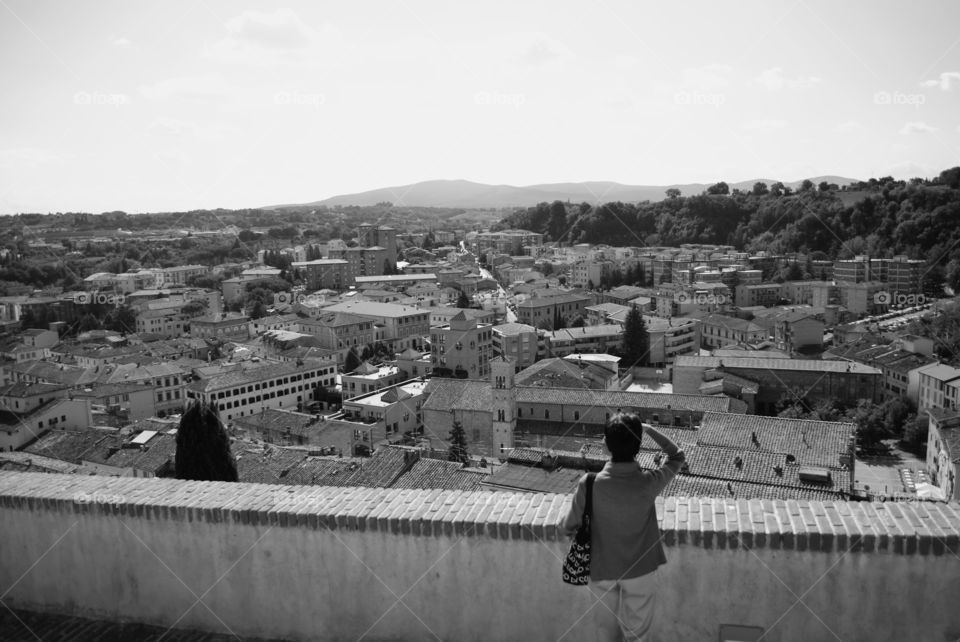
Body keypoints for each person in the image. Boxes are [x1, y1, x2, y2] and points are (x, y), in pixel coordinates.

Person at [563, 412, 686, 642]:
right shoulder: (649, 483)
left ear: (606, 445)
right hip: (640, 571)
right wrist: (648, 429)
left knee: (606, 634)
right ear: (638, 447)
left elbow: (568, 527)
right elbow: (677, 455)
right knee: (637, 636)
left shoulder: (589, 484)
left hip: (601, 570)